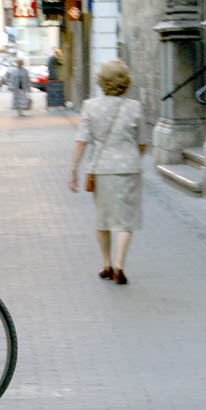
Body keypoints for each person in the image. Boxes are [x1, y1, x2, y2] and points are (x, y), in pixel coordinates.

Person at [68, 59, 147, 285]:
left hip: (101, 169)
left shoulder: (90, 106)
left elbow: (82, 140)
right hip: (129, 169)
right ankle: (119, 267)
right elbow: (142, 142)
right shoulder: (135, 107)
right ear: (125, 82)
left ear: (101, 81)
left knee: (103, 219)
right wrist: (131, 157)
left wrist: (73, 169)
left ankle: (106, 264)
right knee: (125, 221)